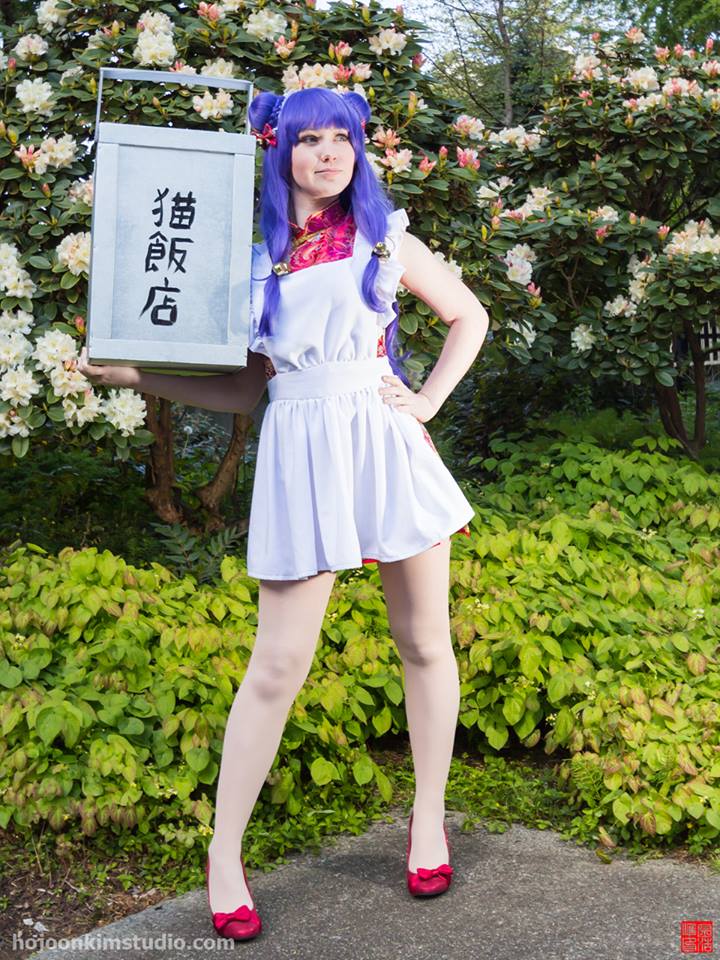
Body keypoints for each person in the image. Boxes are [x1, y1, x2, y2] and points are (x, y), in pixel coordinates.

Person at [77, 86, 488, 942]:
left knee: (423, 642)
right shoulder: (255, 257)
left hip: (383, 443)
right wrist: (137, 377)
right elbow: (244, 391)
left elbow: (468, 316)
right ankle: (224, 855)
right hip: (300, 451)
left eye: (342, 138)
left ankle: (427, 821)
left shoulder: (385, 236)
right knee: (277, 664)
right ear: (279, 150)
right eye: (309, 140)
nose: (328, 154)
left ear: (357, 149)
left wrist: (424, 403)